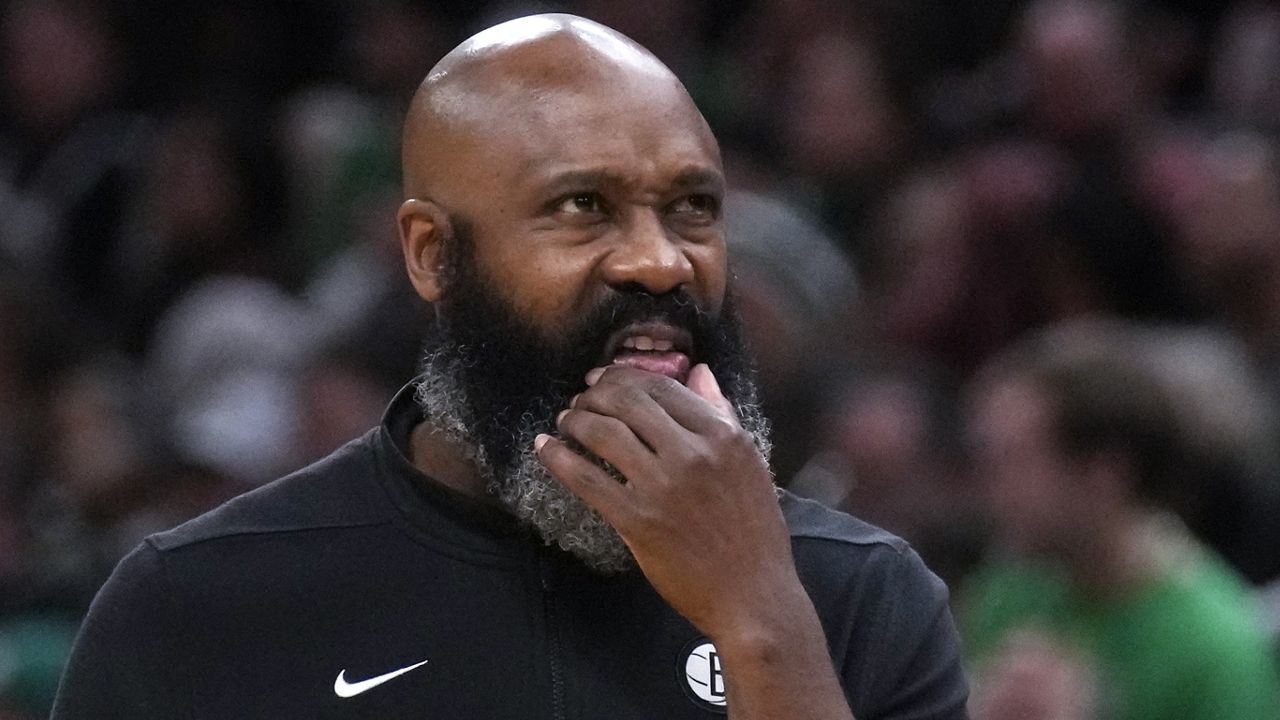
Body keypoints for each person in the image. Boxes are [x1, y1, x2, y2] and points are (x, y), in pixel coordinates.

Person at [51, 15, 969, 719]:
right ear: (432, 254)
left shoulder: (857, 598)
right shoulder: (197, 607)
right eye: (582, 206)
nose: (660, 262)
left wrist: (763, 620)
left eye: (693, 208)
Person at [961, 321, 1280, 720]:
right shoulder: (1007, 592)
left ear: (1104, 476)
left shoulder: (1215, 648)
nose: (991, 487)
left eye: (1017, 460)